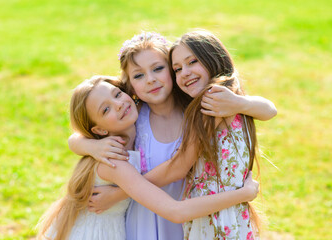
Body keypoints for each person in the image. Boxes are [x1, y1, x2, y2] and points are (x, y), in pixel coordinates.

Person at [68, 32, 277, 240]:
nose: (151, 80)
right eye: (139, 75)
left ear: (171, 71)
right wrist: (90, 147)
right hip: (146, 219)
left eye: (159, 68)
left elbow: (269, 110)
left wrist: (118, 194)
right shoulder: (132, 116)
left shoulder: (195, 109)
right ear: (129, 86)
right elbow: (80, 136)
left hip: (191, 214)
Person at [36, 75, 260, 240]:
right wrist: (243, 194)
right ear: (100, 130)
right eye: (105, 110)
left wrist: (84, 143)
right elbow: (175, 211)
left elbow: (75, 139)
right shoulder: (113, 159)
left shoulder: (121, 134)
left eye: (117, 94)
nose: (119, 104)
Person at [167, 29, 277, 239]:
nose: (185, 72)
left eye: (192, 62)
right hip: (229, 214)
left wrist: (126, 186)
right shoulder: (227, 96)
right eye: (177, 69)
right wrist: (240, 103)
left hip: (214, 220)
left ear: (213, 59)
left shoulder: (213, 102)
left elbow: (178, 167)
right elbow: (270, 110)